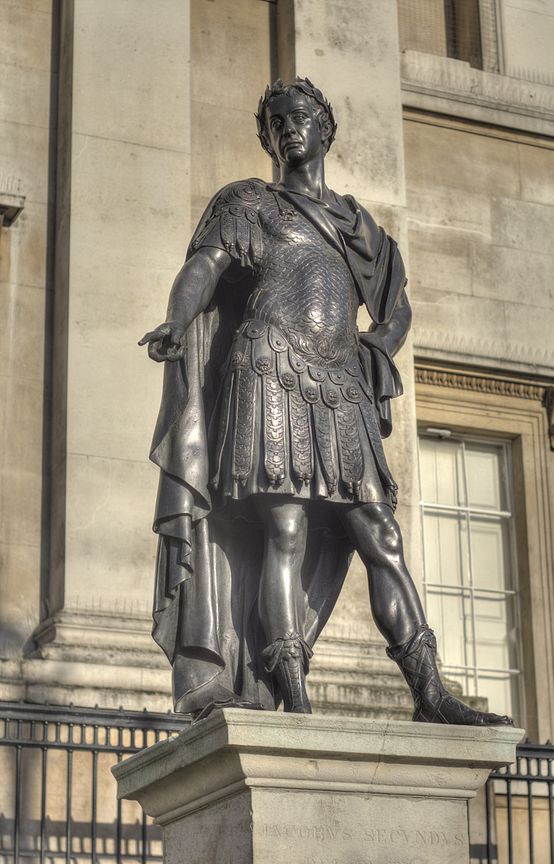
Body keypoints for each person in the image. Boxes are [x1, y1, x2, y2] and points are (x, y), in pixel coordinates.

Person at [140, 77, 513, 727]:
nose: (291, 126)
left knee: (381, 535)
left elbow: (395, 308)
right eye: (278, 120)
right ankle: (293, 694)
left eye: (304, 116)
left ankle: (429, 691)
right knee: (284, 530)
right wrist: (178, 318)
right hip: (270, 369)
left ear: (327, 129)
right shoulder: (250, 203)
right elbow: (204, 266)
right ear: (267, 137)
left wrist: (376, 347)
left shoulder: (355, 223)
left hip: (340, 385)